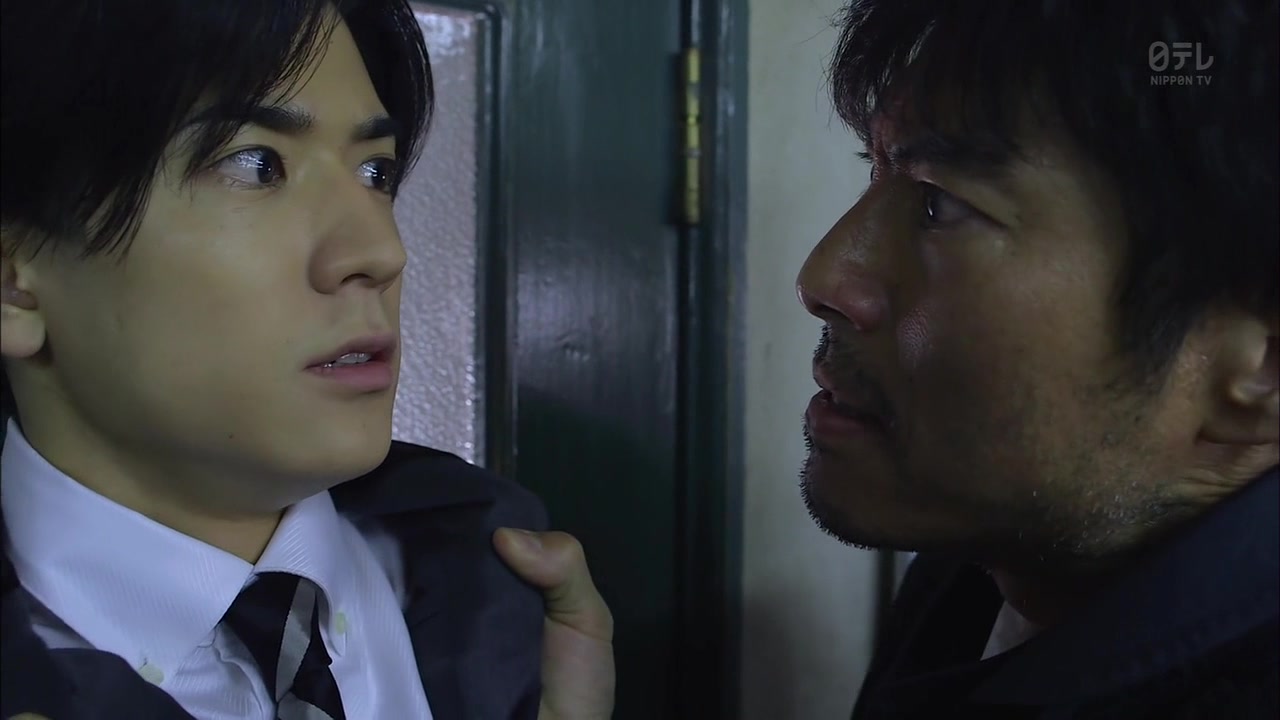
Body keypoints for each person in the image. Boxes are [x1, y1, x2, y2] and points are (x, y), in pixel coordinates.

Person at [517, 0, 1279, 717]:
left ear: (1262, 368)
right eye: (876, 169)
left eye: (941, 205)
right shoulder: (982, 571)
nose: (824, 278)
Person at [0, 2, 567, 718]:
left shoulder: (496, 589)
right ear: (13, 284)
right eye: (257, 164)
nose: (381, 252)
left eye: (375, 172)